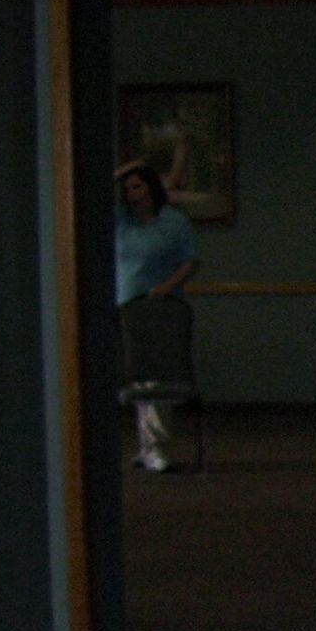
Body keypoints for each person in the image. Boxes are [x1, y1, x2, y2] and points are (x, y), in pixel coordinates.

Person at [114, 160, 199, 471]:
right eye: (128, 189)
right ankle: (146, 445)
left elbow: (190, 261)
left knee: (158, 376)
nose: (133, 194)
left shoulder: (173, 221)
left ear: (151, 188)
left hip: (164, 305)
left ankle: (157, 447)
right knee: (139, 376)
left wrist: (167, 286)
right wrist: (127, 169)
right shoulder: (121, 220)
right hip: (129, 304)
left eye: (138, 186)